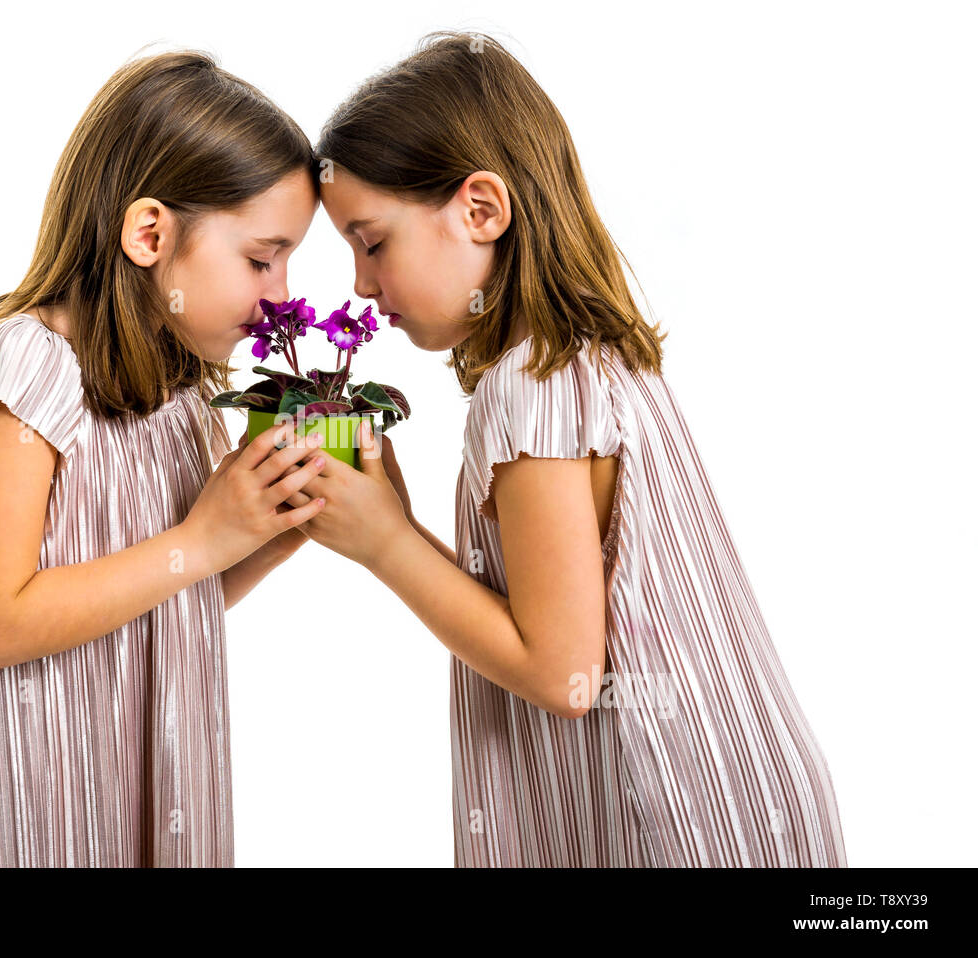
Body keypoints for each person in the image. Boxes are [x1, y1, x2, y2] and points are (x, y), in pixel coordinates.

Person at [282, 31, 849, 867]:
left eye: (372, 242)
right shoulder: (583, 357)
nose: (362, 285)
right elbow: (557, 622)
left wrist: (386, 544)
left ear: (482, 209)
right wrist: (397, 524)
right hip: (740, 804)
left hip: (675, 819)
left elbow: (557, 672)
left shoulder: (530, 389)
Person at [0, 49, 327, 867]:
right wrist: (204, 539)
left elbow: (164, 597)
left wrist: (265, 533)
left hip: (143, 776)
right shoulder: (26, 366)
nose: (282, 294)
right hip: (35, 799)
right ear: (148, 234)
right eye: (261, 258)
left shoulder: (180, 388)